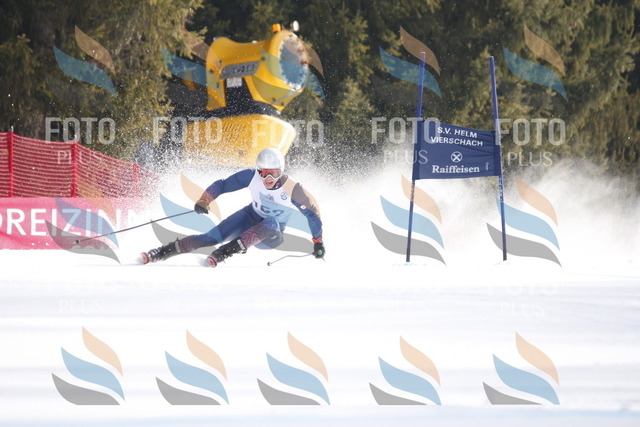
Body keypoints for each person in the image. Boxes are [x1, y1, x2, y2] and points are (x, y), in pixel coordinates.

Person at [141, 148, 325, 267]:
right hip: (249, 217)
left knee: (271, 222)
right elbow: (222, 185)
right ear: (258, 171)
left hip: (272, 236)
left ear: (281, 171)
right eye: (263, 173)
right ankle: (161, 252)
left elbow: (313, 214)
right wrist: (205, 200)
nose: (268, 179)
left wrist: (318, 241)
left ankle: (223, 253)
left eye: (274, 173)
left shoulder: (293, 189)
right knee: (210, 237)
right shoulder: (251, 176)